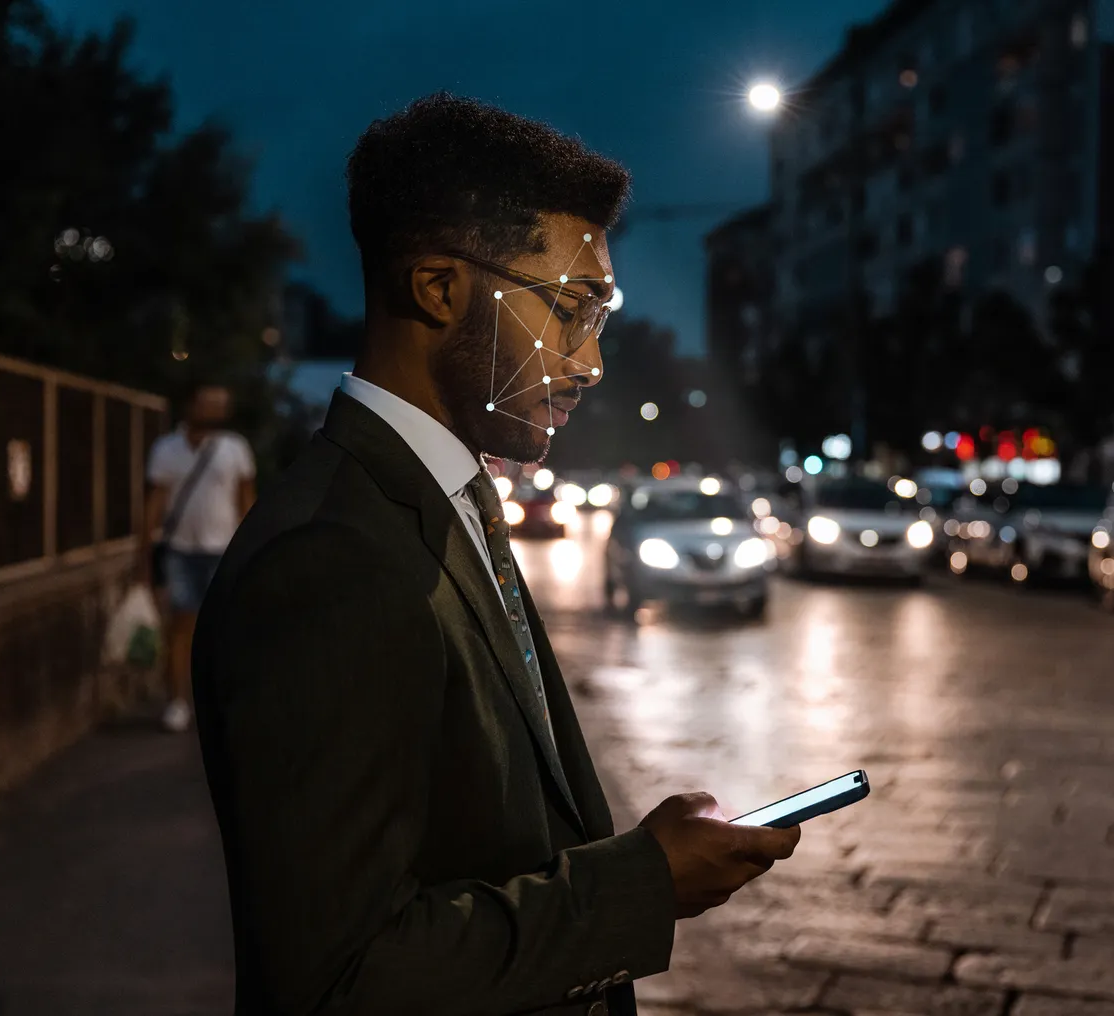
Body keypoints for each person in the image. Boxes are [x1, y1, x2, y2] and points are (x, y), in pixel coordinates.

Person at [190, 93, 801, 1016]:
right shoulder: (329, 558)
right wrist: (640, 887)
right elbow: (336, 979)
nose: (590, 359)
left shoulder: (446, 497)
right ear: (438, 288)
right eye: (568, 308)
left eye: (602, 312)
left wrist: (634, 858)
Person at [141, 382, 255, 733]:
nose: (215, 410)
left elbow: (246, 500)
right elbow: (155, 503)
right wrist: (143, 556)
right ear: (191, 404)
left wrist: (251, 548)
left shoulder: (235, 448)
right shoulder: (166, 448)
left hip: (224, 550)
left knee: (225, 630)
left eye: (221, 404)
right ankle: (177, 702)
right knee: (180, 628)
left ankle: (223, 700)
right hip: (180, 550)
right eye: (209, 403)